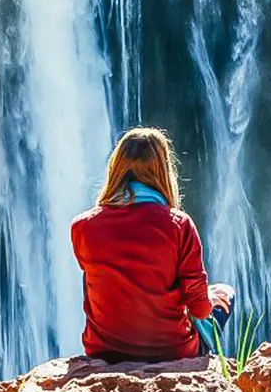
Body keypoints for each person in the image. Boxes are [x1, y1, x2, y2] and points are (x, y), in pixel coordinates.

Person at [71, 127, 236, 362]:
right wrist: (207, 296)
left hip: (105, 352)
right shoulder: (179, 225)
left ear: (115, 168)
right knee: (226, 294)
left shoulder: (82, 227)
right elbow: (199, 309)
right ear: (164, 171)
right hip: (172, 351)